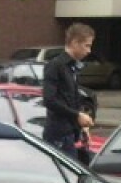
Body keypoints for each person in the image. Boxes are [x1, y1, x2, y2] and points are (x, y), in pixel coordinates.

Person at [41, 22, 96, 160]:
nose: (89, 51)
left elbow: (71, 100)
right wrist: (77, 115)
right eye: (87, 45)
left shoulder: (71, 68)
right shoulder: (55, 66)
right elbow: (50, 100)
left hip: (68, 134)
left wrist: (82, 126)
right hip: (58, 135)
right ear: (75, 42)